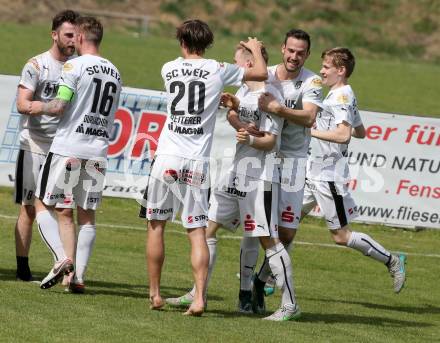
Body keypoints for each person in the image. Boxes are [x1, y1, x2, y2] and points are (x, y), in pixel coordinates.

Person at [138, 19, 267, 316]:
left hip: (167, 156)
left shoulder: (168, 68)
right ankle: (199, 299)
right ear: (208, 44)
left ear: (181, 42)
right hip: (196, 161)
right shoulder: (218, 69)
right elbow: (259, 72)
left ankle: (155, 294)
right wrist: (256, 49)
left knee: (156, 226)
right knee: (197, 231)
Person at [167, 44, 301, 321]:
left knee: (269, 240)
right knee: (207, 230)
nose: (235, 66)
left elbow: (271, 141)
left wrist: (250, 137)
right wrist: (235, 114)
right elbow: (241, 120)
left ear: (250, 65)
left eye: (238, 62)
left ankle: (290, 305)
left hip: (259, 178)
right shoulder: (245, 93)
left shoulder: (269, 95)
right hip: (236, 173)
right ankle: (197, 292)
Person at [29, 16, 122, 293]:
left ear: (81, 37)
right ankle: (77, 278)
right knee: (84, 215)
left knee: (42, 204)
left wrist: (36, 106)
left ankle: (61, 258)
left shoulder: (73, 65)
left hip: (69, 146)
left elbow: (59, 105)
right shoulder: (115, 71)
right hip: (97, 150)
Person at [301, 47, 406, 293]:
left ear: (341, 70)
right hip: (311, 173)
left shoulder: (340, 96)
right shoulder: (343, 94)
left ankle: (392, 260)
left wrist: (310, 131)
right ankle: (268, 278)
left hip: (327, 176)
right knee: (287, 225)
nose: (322, 71)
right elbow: (360, 131)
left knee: (341, 236)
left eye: (326, 67)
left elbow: (344, 135)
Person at [241, 29, 323, 309]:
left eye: (301, 53)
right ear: (282, 49)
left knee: (287, 233)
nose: (294, 57)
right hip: (265, 158)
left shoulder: (311, 80)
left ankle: (260, 280)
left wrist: (277, 108)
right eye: (291, 50)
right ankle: (246, 289)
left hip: (294, 162)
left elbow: (310, 116)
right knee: (261, 228)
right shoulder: (268, 76)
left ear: (307, 55)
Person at [14, 9, 79, 281]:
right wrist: (50, 107)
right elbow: (22, 104)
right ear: (54, 35)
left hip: (64, 148)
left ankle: (68, 269)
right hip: (34, 145)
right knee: (29, 208)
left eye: (76, 35)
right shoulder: (37, 65)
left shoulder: (78, 67)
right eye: (67, 35)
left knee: (65, 209)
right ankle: (22, 267)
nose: (73, 40)